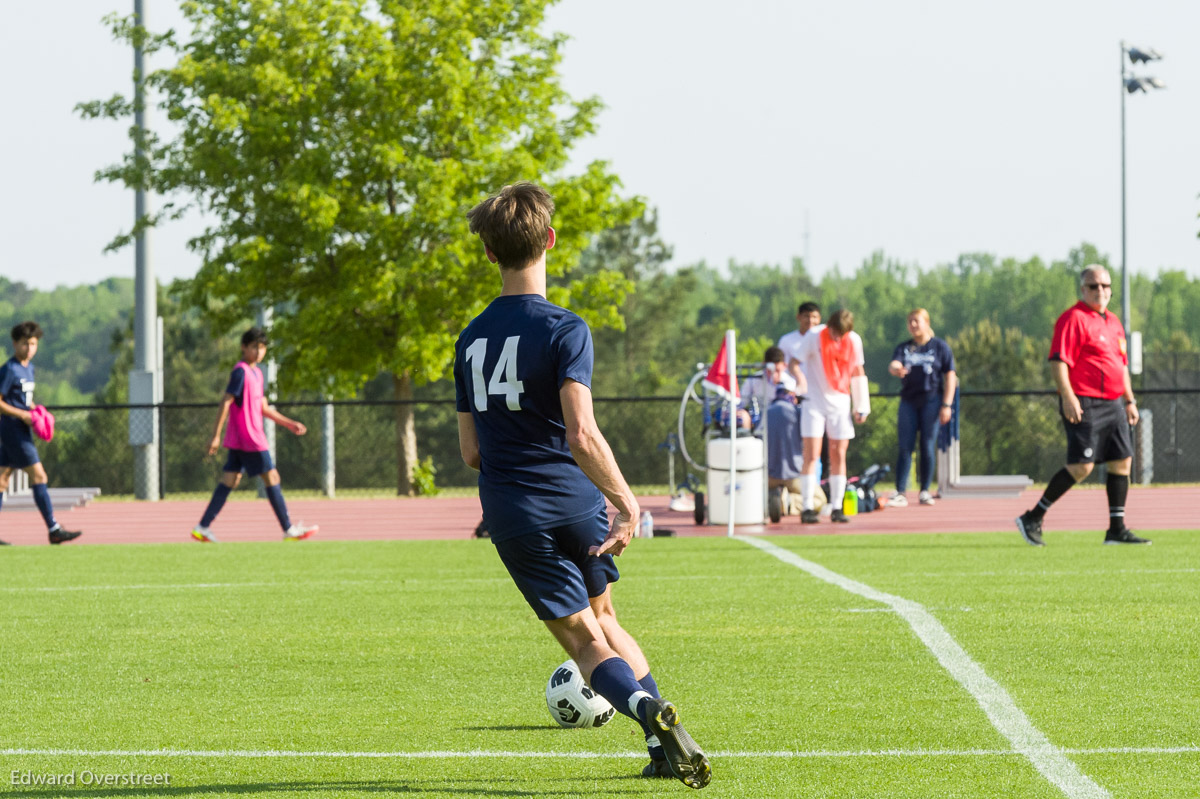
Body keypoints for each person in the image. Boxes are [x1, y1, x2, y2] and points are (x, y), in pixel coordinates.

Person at [455, 182, 710, 789]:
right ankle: (657, 746)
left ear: (489, 254)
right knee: (607, 618)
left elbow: (470, 453)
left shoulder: (469, 339)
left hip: (516, 507)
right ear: (549, 240)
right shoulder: (566, 328)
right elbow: (582, 433)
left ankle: (649, 713)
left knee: (583, 643)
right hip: (576, 502)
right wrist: (626, 502)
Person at [1015, 265, 1148, 546]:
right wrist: (1068, 396)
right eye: (1093, 286)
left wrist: (1129, 399)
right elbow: (1059, 360)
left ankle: (1116, 529)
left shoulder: (1113, 322)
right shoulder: (1073, 319)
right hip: (1085, 400)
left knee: (1122, 462)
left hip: (1114, 403)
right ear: (1082, 289)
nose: (1100, 290)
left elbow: (1120, 366)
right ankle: (1033, 517)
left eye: (1105, 285)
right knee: (1082, 467)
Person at [191, 328, 318, 543]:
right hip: (250, 438)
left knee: (230, 480)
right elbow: (227, 401)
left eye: (262, 348)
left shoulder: (257, 374)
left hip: (240, 440)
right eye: (254, 347)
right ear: (244, 347)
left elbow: (263, 408)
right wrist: (215, 435)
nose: (259, 352)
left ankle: (202, 527)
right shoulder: (240, 372)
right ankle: (288, 529)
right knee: (272, 477)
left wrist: (289, 424)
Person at [0, 321, 82, 546]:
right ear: (15, 344)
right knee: (39, 476)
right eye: (25, 343)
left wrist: (35, 409)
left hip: (20, 428)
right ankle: (54, 529)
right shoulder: (10, 369)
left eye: (33, 343)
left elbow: (22, 398)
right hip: (13, 430)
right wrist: (22, 415)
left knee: (2, 480)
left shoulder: (29, 368)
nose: (29, 348)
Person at [791, 309, 869, 524]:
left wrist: (861, 406)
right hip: (814, 401)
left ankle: (837, 506)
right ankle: (807, 507)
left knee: (839, 454)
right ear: (829, 326)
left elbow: (857, 371)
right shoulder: (814, 336)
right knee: (812, 454)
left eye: (841, 334)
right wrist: (800, 380)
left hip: (840, 402)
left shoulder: (853, 340)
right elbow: (794, 362)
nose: (837, 338)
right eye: (835, 332)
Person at [886, 309, 957, 507]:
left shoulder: (939, 347)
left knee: (926, 445)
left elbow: (950, 375)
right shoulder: (905, 347)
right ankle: (900, 491)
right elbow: (893, 364)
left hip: (932, 400)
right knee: (905, 446)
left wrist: (947, 404)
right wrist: (895, 368)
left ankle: (925, 490)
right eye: (910, 322)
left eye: (916, 321)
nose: (913, 325)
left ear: (927, 322)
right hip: (909, 401)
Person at [765, 386, 811, 520]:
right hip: (793, 475)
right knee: (818, 500)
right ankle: (788, 503)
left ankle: (771, 501)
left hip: (767, 475)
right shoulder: (799, 413)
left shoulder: (765, 412)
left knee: (750, 499)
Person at [737, 345, 796, 431]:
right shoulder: (753, 379)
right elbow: (741, 401)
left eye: (777, 370)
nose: (773, 374)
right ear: (764, 365)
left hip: (780, 422)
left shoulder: (789, 382)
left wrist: (777, 384)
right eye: (770, 370)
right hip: (757, 420)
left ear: (784, 366)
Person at [778, 301, 821, 389]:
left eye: (814, 317)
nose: (810, 320)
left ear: (819, 319)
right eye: (806, 316)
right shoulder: (786, 340)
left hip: (819, 390)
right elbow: (782, 368)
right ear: (798, 317)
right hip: (795, 390)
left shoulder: (823, 341)